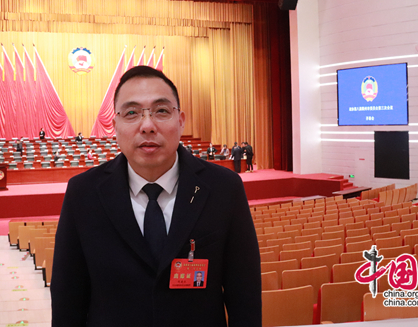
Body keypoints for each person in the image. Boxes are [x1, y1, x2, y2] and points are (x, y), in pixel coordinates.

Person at [51, 66, 261, 327]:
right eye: (131, 113)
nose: (147, 126)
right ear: (114, 125)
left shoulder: (224, 188)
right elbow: (68, 299)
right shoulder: (83, 194)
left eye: (161, 111)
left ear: (181, 120)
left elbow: (244, 296)